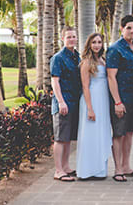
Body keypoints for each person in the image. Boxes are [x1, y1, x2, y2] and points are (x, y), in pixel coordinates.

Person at [106, 15, 133, 182]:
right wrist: (117, 102)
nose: (132, 31)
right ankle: (118, 168)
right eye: (129, 27)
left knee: (129, 133)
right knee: (119, 133)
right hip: (120, 96)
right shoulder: (115, 49)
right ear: (122, 29)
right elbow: (111, 77)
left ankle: (127, 165)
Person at [76, 33, 112, 179]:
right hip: (92, 99)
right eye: (94, 42)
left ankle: (99, 170)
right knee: (90, 134)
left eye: (99, 42)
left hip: (103, 100)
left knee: (101, 132)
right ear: (89, 45)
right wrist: (90, 108)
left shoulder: (103, 60)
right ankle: (87, 170)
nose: (97, 45)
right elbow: (85, 86)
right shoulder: (86, 62)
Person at [50, 28, 81, 182]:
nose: (72, 39)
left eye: (74, 37)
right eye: (69, 37)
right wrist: (61, 101)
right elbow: (55, 82)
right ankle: (58, 170)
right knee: (60, 138)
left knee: (68, 138)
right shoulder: (58, 58)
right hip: (63, 102)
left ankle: (66, 166)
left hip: (75, 102)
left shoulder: (78, 57)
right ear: (63, 38)